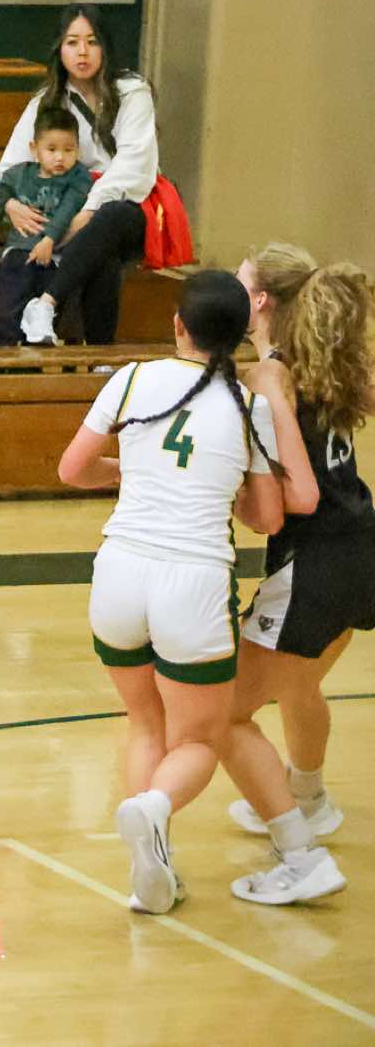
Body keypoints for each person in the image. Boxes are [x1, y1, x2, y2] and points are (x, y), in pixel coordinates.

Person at [56, 270, 342, 914]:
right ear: (239, 333)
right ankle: (155, 807)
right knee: (200, 739)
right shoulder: (248, 407)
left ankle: (149, 873)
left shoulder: (131, 378)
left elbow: (72, 469)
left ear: (177, 325)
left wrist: (134, 471)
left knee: (145, 724)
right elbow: (268, 518)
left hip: (118, 573)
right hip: (192, 583)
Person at [224, 245, 374, 883]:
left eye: (240, 281)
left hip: (313, 563)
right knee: (299, 686)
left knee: (225, 713)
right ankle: (309, 798)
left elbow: (288, 500)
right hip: (361, 547)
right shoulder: (319, 361)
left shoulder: (272, 378)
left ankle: (299, 853)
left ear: (260, 300)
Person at [4, 7, 160, 346]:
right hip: (68, 211)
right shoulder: (47, 100)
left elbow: (133, 166)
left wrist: (88, 212)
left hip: (126, 209)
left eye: (92, 41)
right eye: (72, 42)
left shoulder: (132, 92)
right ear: (60, 50)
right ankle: (99, 355)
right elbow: (11, 165)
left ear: (105, 46)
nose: (83, 52)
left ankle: (46, 304)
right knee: (104, 256)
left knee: (111, 217)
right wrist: (12, 203)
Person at [0, 106, 93, 345]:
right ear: (34, 149)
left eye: (68, 150)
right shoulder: (16, 176)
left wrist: (49, 240)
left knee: (44, 314)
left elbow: (68, 209)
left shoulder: (79, 176)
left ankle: (34, 358)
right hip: (19, 254)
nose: (60, 157)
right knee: (8, 306)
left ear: (78, 150)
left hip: (56, 256)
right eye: (51, 149)